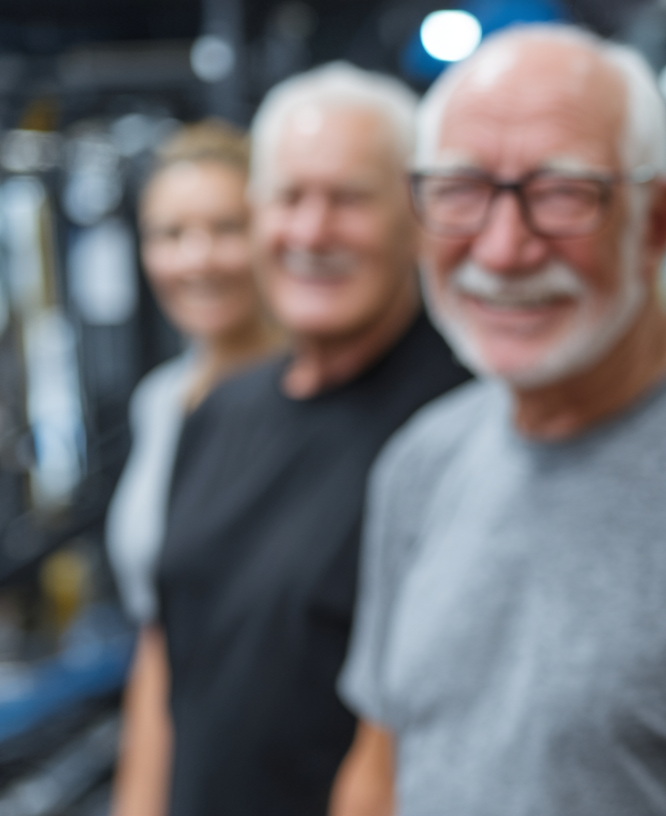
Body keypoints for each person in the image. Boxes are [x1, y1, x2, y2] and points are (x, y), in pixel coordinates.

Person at [333, 25, 666, 816]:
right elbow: (380, 766)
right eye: (462, 191)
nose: (504, 247)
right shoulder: (422, 461)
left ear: (655, 221)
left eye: (560, 195)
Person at [122, 63, 470, 816]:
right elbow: (167, 651)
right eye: (288, 198)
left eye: (348, 199)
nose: (312, 232)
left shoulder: (461, 425)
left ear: (416, 214)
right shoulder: (218, 409)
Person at [110, 120, 282, 816]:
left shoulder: (321, 400)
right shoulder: (160, 402)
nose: (197, 260)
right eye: (170, 235)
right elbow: (159, 632)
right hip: (191, 766)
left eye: (225, 227)